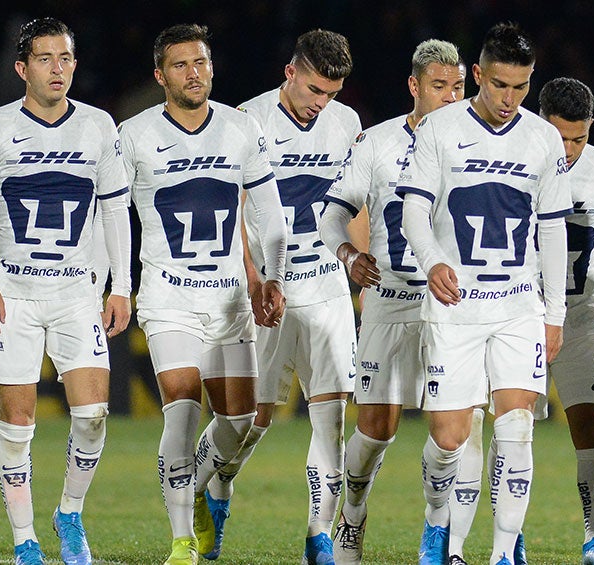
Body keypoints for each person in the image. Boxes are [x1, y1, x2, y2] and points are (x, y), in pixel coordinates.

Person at [0, 17, 131, 565]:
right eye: (46, 59)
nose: (58, 69)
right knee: (18, 421)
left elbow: (115, 211)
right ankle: (26, 539)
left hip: (78, 293)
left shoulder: (100, 126)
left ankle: (70, 514)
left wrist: (120, 285)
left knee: (94, 414)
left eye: (66, 59)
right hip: (14, 294)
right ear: (21, 68)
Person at [398, 22, 572, 565]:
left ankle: (500, 553)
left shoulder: (542, 137)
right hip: (455, 307)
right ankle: (436, 520)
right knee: (451, 437)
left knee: (516, 427)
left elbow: (552, 230)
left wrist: (555, 312)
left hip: (519, 306)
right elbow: (413, 212)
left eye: (521, 87)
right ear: (477, 75)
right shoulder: (441, 129)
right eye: (500, 85)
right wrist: (433, 263)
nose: (509, 99)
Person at [445, 76, 594, 565]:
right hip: (518, 311)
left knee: (591, 423)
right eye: (562, 135)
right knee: (511, 423)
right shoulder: (521, 156)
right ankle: (511, 537)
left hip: (581, 313)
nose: (570, 149)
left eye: (581, 137)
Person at [118, 24, 287, 565]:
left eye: (202, 63)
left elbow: (271, 216)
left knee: (240, 420)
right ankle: (181, 541)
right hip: (168, 299)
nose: (195, 73)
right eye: (181, 65)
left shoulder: (241, 129)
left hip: (231, 300)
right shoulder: (135, 135)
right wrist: (115, 284)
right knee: (182, 410)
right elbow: (110, 212)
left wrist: (270, 276)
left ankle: (193, 486)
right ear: (160, 75)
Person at [191, 29, 361, 565]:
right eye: (314, 90)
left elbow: (350, 205)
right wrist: (254, 279)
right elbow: (235, 213)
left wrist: (357, 262)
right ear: (291, 73)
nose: (321, 104)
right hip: (266, 292)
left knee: (331, 418)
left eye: (331, 94)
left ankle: (319, 537)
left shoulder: (347, 123)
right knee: (251, 421)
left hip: (326, 285)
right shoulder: (247, 121)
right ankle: (208, 490)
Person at [318, 39, 466, 565]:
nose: (451, 97)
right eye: (439, 86)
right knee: (375, 428)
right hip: (388, 298)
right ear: (415, 86)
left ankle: (437, 531)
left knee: (451, 433)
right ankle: (352, 517)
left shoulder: (480, 144)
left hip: (452, 307)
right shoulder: (377, 143)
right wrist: (348, 254)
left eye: (458, 87)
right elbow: (331, 214)